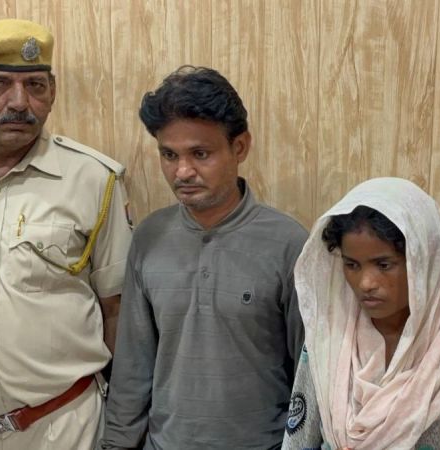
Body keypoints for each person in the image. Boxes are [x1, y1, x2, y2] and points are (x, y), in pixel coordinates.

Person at [0, 19, 132, 450]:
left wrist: (123, 422)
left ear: (52, 92)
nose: (19, 102)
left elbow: (116, 309)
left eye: (35, 85)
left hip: (64, 429)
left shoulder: (95, 180)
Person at [99, 66, 308, 450]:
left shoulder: (288, 243)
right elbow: (133, 365)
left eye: (200, 154)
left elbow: (309, 373)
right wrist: (117, 444)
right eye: (169, 154)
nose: (182, 171)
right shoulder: (148, 237)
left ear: (240, 147)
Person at [282, 177, 440, 449]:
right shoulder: (328, 346)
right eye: (352, 265)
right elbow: (297, 441)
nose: (365, 283)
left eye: (384, 265)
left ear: (423, 263)